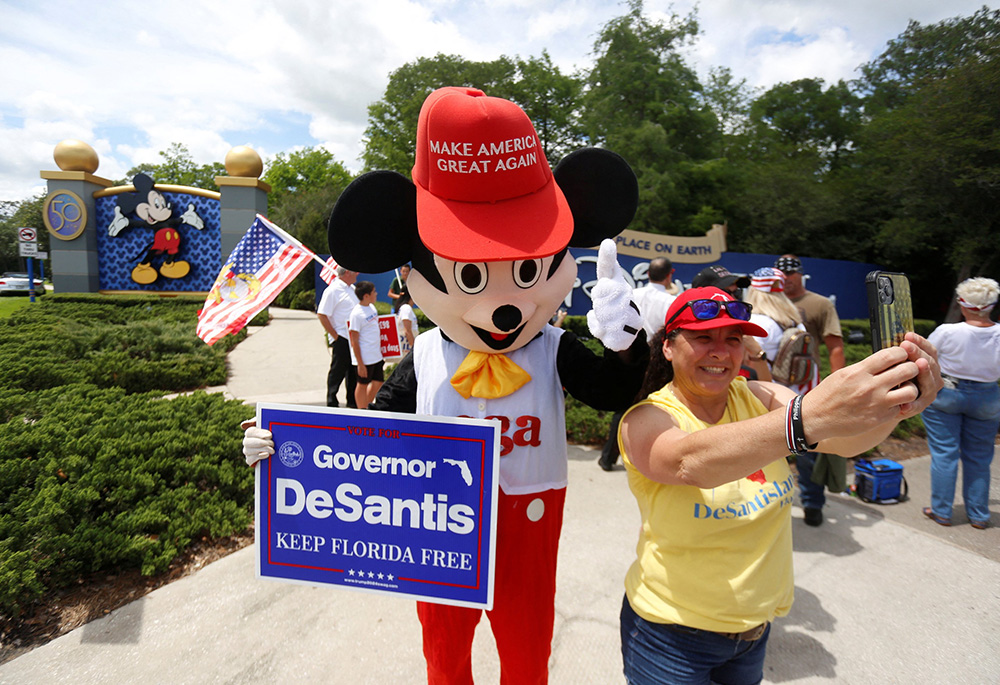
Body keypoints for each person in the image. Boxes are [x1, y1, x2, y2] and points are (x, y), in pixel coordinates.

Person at [616, 286, 941, 685]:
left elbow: (843, 442)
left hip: (754, 631)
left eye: (733, 339)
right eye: (703, 337)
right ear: (668, 347)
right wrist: (807, 418)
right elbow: (690, 462)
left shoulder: (760, 395)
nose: (721, 351)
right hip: (668, 634)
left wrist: (901, 404)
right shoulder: (646, 419)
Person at [921, 277, 1000, 530]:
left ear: (964, 305)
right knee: (979, 458)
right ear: (991, 305)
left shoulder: (947, 331)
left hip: (948, 393)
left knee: (945, 454)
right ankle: (978, 514)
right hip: (987, 396)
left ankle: (942, 511)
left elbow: (925, 359)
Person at [775, 254, 844, 526]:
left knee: (807, 450)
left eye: (790, 275)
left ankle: (813, 503)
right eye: (781, 276)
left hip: (806, 390)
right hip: (772, 387)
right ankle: (773, 501)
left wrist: (838, 388)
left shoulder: (819, 304)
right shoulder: (771, 301)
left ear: (799, 274)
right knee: (769, 448)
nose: (786, 280)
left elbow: (835, 346)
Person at [599, 257, 682, 471]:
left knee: (624, 406)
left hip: (630, 355)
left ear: (648, 274)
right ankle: (639, 459)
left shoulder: (633, 295)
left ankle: (608, 457)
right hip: (658, 360)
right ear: (669, 275)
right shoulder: (671, 302)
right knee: (654, 408)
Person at [316, 266, 359, 408]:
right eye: (355, 271)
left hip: (354, 338)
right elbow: (322, 314)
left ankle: (352, 401)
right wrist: (335, 335)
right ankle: (332, 399)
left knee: (353, 371)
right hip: (341, 337)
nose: (357, 274)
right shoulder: (333, 290)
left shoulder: (352, 289)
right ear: (347, 273)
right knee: (338, 370)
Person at [348, 280, 384, 408]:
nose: (376, 294)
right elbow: (354, 340)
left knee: (378, 382)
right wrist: (360, 363)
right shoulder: (356, 314)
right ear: (366, 296)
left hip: (376, 355)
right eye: (373, 292)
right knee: (362, 384)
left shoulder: (372, 308)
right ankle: (361, 410)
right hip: (365, 357)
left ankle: (366, 404)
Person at [396, 285, 418, 351]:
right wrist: (414, 349)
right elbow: (407, 331)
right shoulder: (406, 308)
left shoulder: (404, 307)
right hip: (408, 346)